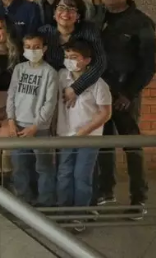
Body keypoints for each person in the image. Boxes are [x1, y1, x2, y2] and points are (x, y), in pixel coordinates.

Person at [94, 0, 156, 213]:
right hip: (100, 94)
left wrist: (129, 94)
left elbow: (148, 65)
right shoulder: (97, 17)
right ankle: (106, 190)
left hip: (125, 96)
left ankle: (138, 198)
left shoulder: (141, 22)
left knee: (132, 145)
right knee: (104, 144)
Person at [56, 40, 112, 232]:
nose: (69, 61)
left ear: (87, 60)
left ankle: (79, 214)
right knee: (64, 173)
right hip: (65, 134)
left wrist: (84, 131)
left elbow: (105, 113)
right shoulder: (61, 76)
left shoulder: (98, 83)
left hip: (89, 138)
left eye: (74, 57)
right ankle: (63, 212)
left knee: (81, 176)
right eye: (67, 57)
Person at [6, 33, 58, 207]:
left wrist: (36, 126)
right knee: (20, 166)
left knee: (43, 168)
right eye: (28, 46)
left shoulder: (50, 72)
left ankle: (45, 203)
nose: (32, 50)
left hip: (39, 128)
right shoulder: (19, 69)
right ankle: (23, 202)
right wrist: (11, 120)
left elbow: (49, 103)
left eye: (36, 47)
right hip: (18, 126)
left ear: (44, 49)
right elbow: (11, 96)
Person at [38, 0, 106, 109]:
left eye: (71, 9)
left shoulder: (88, 31)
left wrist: (76, 88)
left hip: (84, 87)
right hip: (51, 90)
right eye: (61, 8)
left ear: (78, 16)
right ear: (54, 13)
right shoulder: (44, 32)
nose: (65, 12)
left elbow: (100, 62)